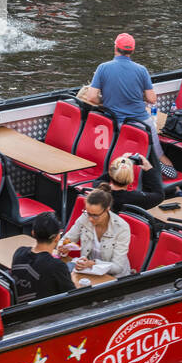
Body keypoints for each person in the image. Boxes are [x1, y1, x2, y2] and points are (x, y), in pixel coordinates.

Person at [82, 33, 161, 163]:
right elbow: (152, 99)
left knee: (120, 159)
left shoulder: (103, 68)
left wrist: (104, 101)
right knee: (159, 157)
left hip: (114, 124)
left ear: (115, 48)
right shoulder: (141, 70)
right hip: (140, 123)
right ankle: (171, 179)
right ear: (132, 50)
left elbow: (91, 97)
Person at [60, 188, 132, 279]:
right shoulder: (85, 217)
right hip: (89, 272)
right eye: (88, 213)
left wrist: (93, 263)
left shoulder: (121, 228)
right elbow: (66, 239)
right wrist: (62, 247)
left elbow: (117, 267)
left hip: (113, 277)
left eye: (95, 215)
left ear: (107, 209)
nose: (90, 218)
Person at [11, 212, 76, 302]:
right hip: (44, 314)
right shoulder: (56, 266)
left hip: (20, 308)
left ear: (33, 233)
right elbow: (74, 297)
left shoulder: (19, 252)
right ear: (57, 237)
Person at [102, 152, 167, 211]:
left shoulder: (100, 189)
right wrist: (149, 169)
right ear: (130, 179)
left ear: (111, 173)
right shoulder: (134, 198)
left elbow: (101, 179)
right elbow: (159, 195)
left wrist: (120, 164)